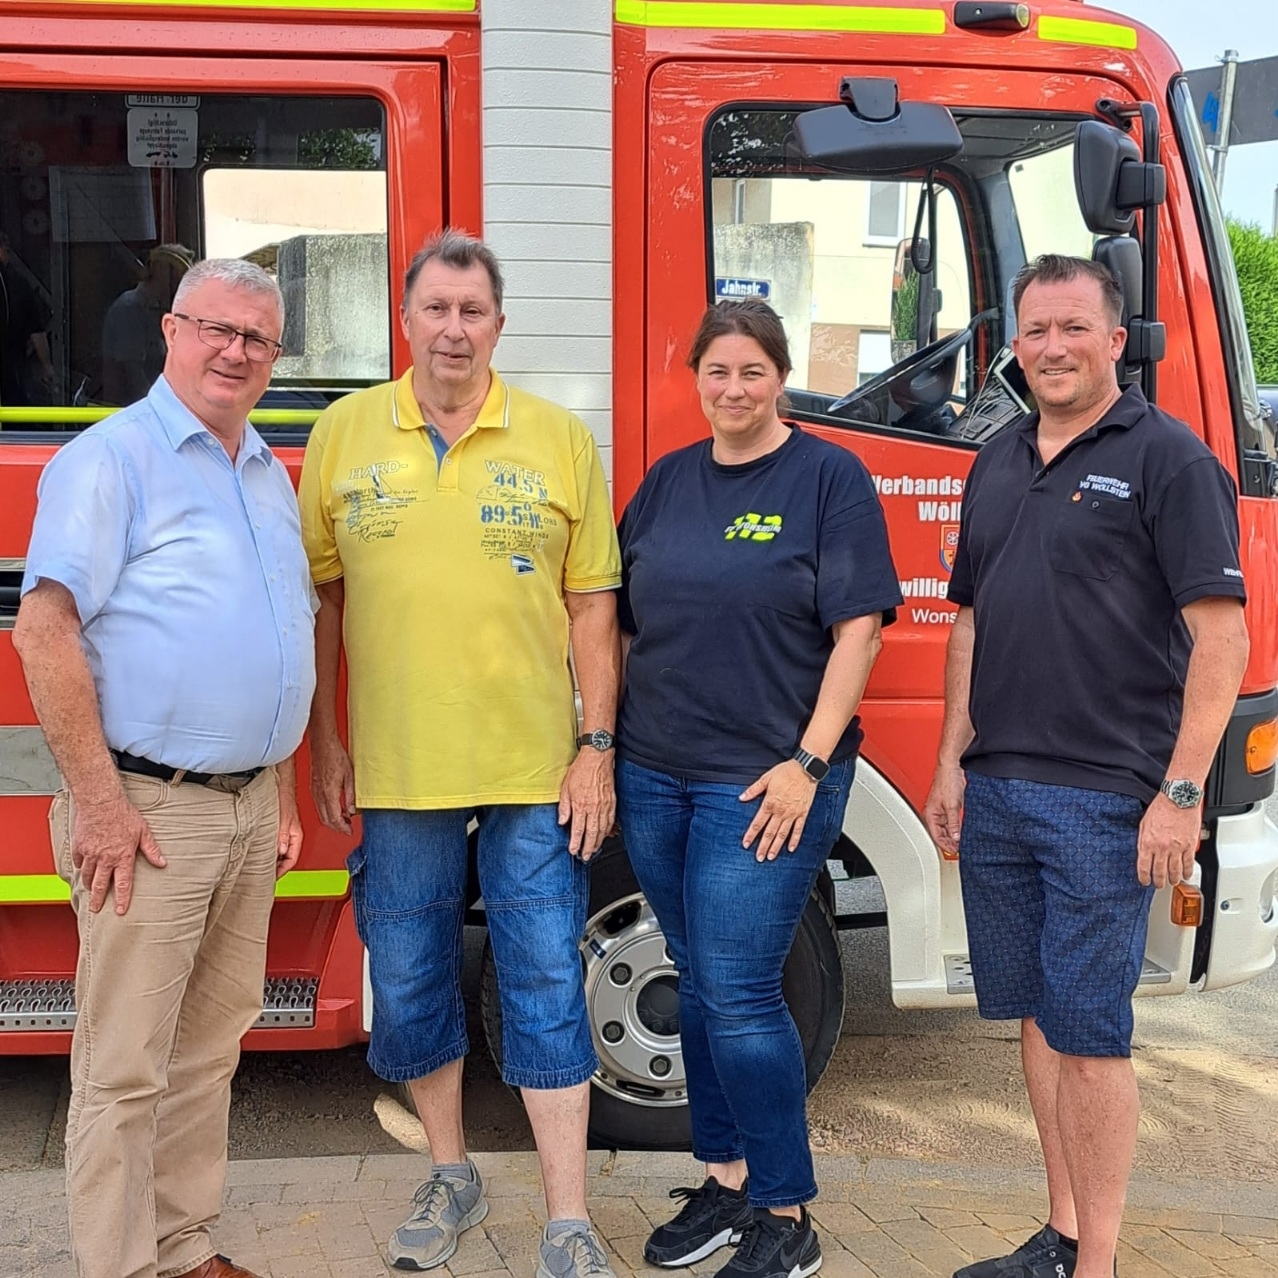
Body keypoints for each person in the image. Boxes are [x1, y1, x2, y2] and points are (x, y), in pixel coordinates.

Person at [299, 229, 621, 1277]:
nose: (452, 328)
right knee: (412, 975)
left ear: (498, 324)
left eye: (471, 310)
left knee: (542, 984)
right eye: (434, 308)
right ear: (405, 319)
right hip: (398, 775)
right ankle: (451, 1171)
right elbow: (323, 605)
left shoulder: (560, 438)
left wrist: (596, 748)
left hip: (536, 773)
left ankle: (567, 1218)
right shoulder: (345, 436)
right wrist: (330, 744)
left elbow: (592, 609)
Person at [923, 254, 1250, 1278]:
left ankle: (1097, 1264)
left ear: (1117, 340)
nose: (1053, 347)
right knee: (1034, 1012)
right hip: (1001, 788)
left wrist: (1181, 793)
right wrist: (949, 761)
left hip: (1107, 798)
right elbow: (968, 624)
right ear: (1014, 344)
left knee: (1094, 1033)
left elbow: (1223, 639)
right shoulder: (998, 459)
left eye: (1074, 328)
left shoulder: (1171, 460)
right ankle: (1060, 1234)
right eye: (1036, 330)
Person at [13, 257, 316, 1278]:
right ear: (169, 330)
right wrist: (97, 804)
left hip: (243, 809)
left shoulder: (266, 470)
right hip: (145, 810)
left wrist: (273, 782)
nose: (235, 351)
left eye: (257, 338)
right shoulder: (111, 460)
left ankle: (182, 1248)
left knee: (208, 1054)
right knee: (125, 1067)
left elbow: (278, 636)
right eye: (215, 329)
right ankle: (120, 1267)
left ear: (276, 356)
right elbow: (44, 632)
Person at [614, 299, 901, 1278]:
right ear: (694, 378)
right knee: (699, 982)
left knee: (737, 992)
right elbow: (619, 619)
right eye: (716, 372)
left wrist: (808, 764)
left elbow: (859, 629)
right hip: (655, 775)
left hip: (767, 786)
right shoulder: (666, 483)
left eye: (752, 371)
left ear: (780, 377)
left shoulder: (828, 479)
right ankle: (729, 1181)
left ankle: (788, 1213)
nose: (732, 389)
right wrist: (602, 742)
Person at [102, 243, 194, 405]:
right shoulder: (130, 308)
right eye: (178, 279)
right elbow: (134, 374)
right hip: (131, 409)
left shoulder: (157, 309)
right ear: (163, 273)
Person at [0, 228, 54, 406]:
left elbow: (36, 329)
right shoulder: (16, 282)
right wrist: (46, 366)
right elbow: (36, 331)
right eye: (6, 250)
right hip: (12, 369)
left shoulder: (15, 283)